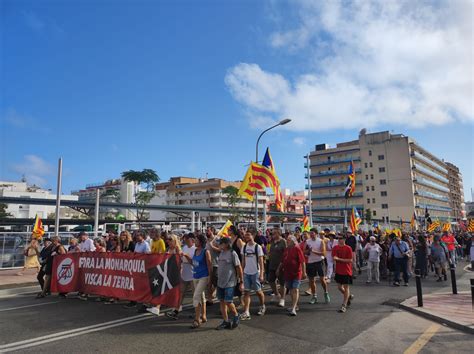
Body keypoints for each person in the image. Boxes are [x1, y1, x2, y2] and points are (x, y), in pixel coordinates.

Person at [215, 237, 243, 330]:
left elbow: (239, 267)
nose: (219, 245)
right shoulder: (221, 253)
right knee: (222, 301)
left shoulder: (232, 253)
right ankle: (225, 321)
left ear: (226, 244)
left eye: (221, 243)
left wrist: (241, 281)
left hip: (230, 282)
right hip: (220, 282)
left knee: (228, 301)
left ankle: (236, 315)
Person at [167, 233, 196, 320]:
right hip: (184, 273)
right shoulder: (184, 247)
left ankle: (198, 312)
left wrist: (186, 256)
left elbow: (193, 263)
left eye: (187, 240)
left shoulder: (195, 249)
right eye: (185, 240)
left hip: (193, 274)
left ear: (192, 240)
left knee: (195, 294)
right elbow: (180, 260)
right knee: (181, 293)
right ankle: (176, 311)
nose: (185, 241)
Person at [240, 231, 266, 320]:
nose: (246, 236)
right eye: (245, 235)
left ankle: (262, 305)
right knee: (246, 292)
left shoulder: (257, 247)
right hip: (246, 273)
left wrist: (261, 274)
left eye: (248, 234)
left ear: (253, 235)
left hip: (255, 272)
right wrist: (241, 272)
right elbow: (243, 261)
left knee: (258, 292)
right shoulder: (244, 247)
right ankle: (246, 312)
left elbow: (261, 261)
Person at [280, 235, 306, 316]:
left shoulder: (297, 249)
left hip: (296, 273)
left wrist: (304, 272)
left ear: (293, 241)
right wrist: (279, 269)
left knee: (295, 289)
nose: (287, 241)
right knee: (291, 290)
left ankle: (294, 308)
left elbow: (302, 262)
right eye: (287, 240)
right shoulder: (287, 249)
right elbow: (283, 260)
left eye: (288, 240)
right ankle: (294, 305)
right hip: (288, 273)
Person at [191, 233, 212, 329]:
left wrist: (210, 280)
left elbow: (209, 266)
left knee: (196, 296)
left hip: (204, 276)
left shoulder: (206, 252)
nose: (194, 241)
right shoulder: (195, 251)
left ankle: (196, 319)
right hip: (195, 276)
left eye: (196, 240)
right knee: (201, 297)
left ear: (201, 241)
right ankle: (204, 316)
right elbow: (194, 262)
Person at [305, 229, 330, 304]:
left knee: (322, 280)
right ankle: (314, 296)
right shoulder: (307, 241)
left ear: (316, 234)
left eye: (312, 233)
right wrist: (308, 251)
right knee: (312, 281)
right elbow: (304, 252)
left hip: (319, 262)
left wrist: (313, 251)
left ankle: (326, 293)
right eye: (310, 233)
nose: (311, 235)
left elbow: (323, 253)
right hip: (310, 262)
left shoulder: (320, 241)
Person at [332, 234, 354, 313]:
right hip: (338, 270)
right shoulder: (335, 248)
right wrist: (335, 260)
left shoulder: (348, 248)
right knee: (339, 287)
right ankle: (348, 296)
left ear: (344, 239)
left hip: (346, 271)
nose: (339, 240)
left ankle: (344, 305)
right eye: (338, 238)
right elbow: (334, 257)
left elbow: (350, 260)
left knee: (346, 287)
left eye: (341, 238)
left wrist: (339, 259)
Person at [268, 229, 287, 307]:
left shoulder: (283, 242)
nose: (272, 235)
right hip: (272, 264)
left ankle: (282, 299)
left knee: (282, 282)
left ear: (279, 233)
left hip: (281, 265)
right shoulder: (272, 242)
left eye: (274, 233)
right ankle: (276, 294)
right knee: (270, 280)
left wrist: (281, 266)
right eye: (272, 234)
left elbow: (286, 254)